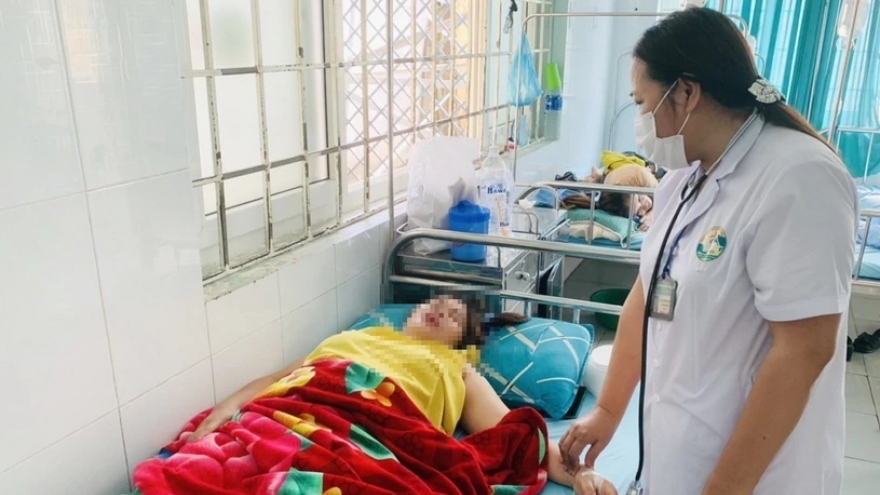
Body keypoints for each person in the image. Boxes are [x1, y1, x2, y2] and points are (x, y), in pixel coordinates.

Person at [559, 7, 858, 495]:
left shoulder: (800, 176)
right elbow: (647, 293)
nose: (639, 120)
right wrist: (608, 410)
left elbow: (804, 351)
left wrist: (725, 486)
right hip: (679, 450)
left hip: (754, 475)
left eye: (642, 102)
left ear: (686, 93)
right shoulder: (682, 178)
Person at [188, 295, 618, 495]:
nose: (439, 311)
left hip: (370, 432)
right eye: (434, 305)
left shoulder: (455, 368)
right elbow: (279, 380)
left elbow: (517, 437)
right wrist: (226, 409)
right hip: (293, 410)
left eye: (453, 316)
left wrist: (580, 473)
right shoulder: (349, 338)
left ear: (462, 342)